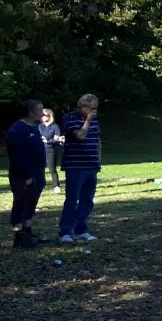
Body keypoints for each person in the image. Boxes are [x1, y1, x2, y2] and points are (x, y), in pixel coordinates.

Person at [59, 94, 101, 243]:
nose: (94, 112)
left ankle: (81, 229)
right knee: (72, 199)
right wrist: (88, 121)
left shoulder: (95, 120)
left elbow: (97, 140)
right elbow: (80, 136)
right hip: (75, 166)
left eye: (96, 108)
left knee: (87, 200)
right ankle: (66, 232)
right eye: (92, 108)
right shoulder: (70, 119)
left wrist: (98, 160)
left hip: (91, 165)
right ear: (82, 106)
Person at [7, 100, 46, 248]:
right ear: (30, 112)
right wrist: (27, 175)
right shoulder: (17, 130)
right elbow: (17, 156)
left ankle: (28, 234)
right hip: (23, 176)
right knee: (20, 204)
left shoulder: (34, 128)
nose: (42, 113)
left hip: (37, 174)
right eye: (39, 110)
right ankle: (18, 237)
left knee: (31, 203)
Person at [38, 108, 64, 194]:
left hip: (51, 150)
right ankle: (41, 185)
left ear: (49, 116)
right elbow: (40, 137)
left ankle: (56, 185)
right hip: (41, 149)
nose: (42, 117)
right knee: (40, 168)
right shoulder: (40, 126)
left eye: (44, 115)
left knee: (52, 169)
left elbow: (57, 139)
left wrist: (48, 140)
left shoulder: (55, 126)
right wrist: (50, 139)